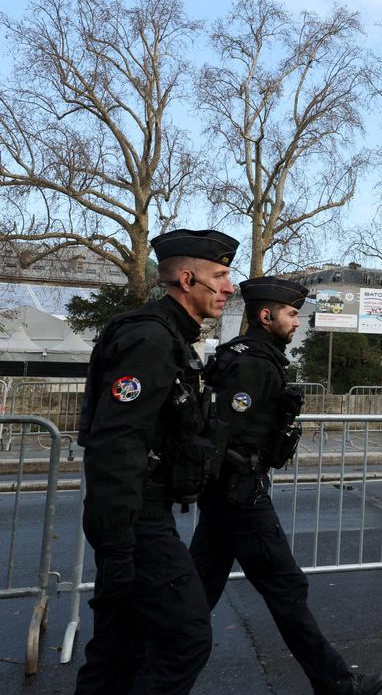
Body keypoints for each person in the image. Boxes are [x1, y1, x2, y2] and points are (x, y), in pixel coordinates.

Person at [189, 277, 382, 695]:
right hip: (241, 495)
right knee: (285, 587)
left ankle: (148, 670)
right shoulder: (254, 363)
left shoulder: (249, 356)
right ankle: (335, 682)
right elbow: (229, 435)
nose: (297, 321)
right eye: (292, 313)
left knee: (197, 594)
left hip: (228, 497)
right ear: (266, 315)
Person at [75, 228, 238, 695]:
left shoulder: (172, 337)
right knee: (185, 638)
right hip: (136, 519)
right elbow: (116, 443)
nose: (229, 287)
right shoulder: (150, 338)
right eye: (221, 276)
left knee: (117, 651)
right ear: (188, 279)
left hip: (142, 513)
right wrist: (121, 544)